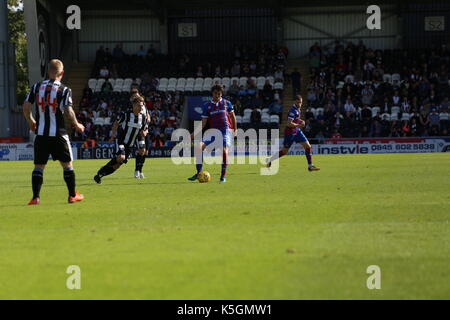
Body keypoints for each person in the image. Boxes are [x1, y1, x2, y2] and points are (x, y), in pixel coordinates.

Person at [22, 59, 85, 205]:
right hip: (59, 134)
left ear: (48, 71)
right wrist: (76, 124)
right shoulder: (64, 89)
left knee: (39, 166)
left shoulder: (36, 87)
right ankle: (71, 195)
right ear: (61, 73)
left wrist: (31, 121)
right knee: (67, 165)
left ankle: (35, 197)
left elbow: (26, 107)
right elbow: (68, 111)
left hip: (41, 134)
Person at [187, 85, 237, 183]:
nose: (217, 95)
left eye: (219, 93)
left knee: (224, 151)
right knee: (198, 147)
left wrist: (235, 129)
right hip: (213, 131)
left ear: (221, 94)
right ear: (212, 93)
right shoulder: (207, 105)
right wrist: (194, 133)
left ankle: (223, 176)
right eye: (215, 93)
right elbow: (204, 122)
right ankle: (199, 173)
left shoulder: (227, 103)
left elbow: (233, 117)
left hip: (225, 131)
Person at [94, 94, 147, 184]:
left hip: (130, 145)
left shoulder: (143, 117)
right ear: (134, 105)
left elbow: (143, 130)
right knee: (120, 158)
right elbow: (116, 123)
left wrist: (144, 133)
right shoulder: (126, 115)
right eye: (139, 106)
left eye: (142, 106)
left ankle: (100, 174)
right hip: (121, 141)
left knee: (118, 165)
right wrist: (113, 135)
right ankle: (100, 173)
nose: (141, 108)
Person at [266, 95, 320, 172]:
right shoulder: (293, 110)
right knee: (284, 151)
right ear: (295, 102)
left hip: (297, 131)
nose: (299, 104)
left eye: (300, 102)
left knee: (308, 146)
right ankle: (270, 160)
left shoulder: (298, 109)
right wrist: (299, 125)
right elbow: (289, 123)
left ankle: (310, 166)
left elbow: (296, 119)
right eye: (298, 102)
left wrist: (301, 121)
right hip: (290, 133)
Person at [131, 89, 151, 179]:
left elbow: (147, 116)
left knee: (146, 152)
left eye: (138, 95)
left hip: (145, 130)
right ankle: (137, 170)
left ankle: (140, 170)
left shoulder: (143, 106)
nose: (137, 97)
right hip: (138, 131)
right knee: (141, 150)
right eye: (135, 96)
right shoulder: (132, 107)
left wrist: (146, 125)